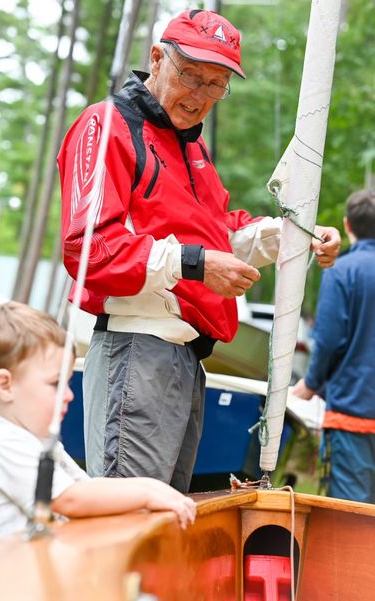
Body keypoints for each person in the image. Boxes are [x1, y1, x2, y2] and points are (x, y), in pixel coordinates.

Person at [58, 9, 341, 492]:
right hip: (137, 347)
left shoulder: (193, 149)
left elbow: (219, 234)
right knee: (134, 517)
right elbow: (88, 247)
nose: (201, 96)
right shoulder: (108, 124)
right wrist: (195, 264)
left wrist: (299, 234)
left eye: (216, 85)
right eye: (191, 75)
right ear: (156, 59)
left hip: (186, 358)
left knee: (168, 518)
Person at [0, 302, 196, 543]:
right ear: (5, 386)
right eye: (55, 384)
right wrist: (146, 495)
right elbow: (70, 499)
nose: (68, 395)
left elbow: (86, 486)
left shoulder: (37, 440)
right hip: (1, 573)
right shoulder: (3, 442)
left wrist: (154, 487)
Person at [293, 189, 375, 503]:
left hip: (352, 419)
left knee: (350, 521)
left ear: (347, 225)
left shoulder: (341, 271)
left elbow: (328, 340)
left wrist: (310, 384)